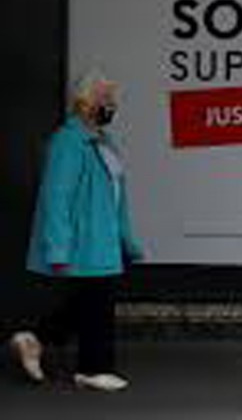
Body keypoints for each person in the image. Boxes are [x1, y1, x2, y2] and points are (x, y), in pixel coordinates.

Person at [9, 70, 144, 391]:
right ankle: (93, 369)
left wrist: (128, 241)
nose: (111, 104)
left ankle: (34, 340)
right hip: (84, 242)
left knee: (88, 301)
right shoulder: (67, 143)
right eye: (105, 99)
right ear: (83, 103)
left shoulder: (104, 142)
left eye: (112, 99)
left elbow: (116, 198)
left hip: (104, 241)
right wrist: (57, 248)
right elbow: (56, 198)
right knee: (96, 302)